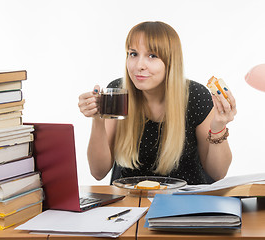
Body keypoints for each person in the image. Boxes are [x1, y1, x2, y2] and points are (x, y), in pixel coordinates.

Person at [78, 21, 237, 185]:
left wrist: (218, 127)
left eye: (152, 56)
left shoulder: (195, 96)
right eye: (133, 54)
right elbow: (98, 171)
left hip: (185, 204)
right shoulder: (118, 92)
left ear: (171, 62)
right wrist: (97, 118)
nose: (139, 66)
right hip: (129, 204)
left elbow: (218, 173)